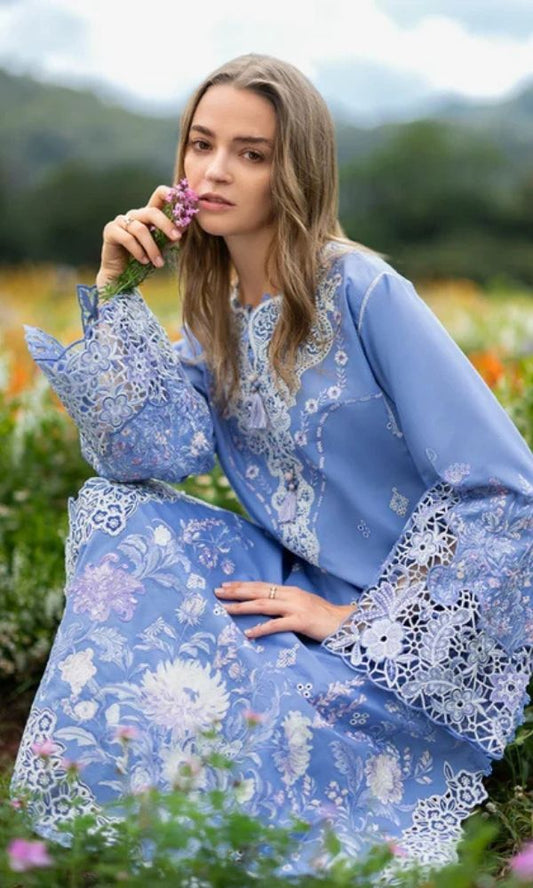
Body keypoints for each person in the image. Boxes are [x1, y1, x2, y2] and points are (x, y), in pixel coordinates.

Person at [12, 52, 533, 875]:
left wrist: (362, 624)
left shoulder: (364, 290)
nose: (215, 171)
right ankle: (102, 802)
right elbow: (148, 456)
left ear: (296, 172)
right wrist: (114, 293)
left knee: (275, 730)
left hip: (408, 626)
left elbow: (503, 490)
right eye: (200, 144)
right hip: (292, 587)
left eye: (250, 153)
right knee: (121, 512)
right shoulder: (214, 314)